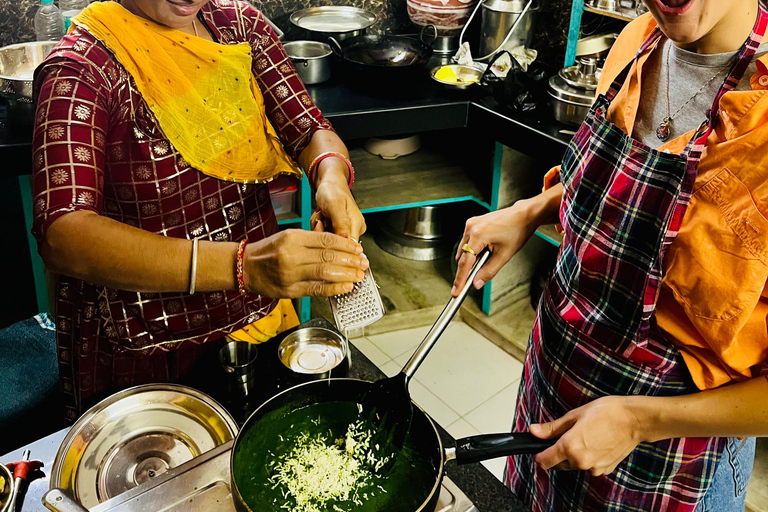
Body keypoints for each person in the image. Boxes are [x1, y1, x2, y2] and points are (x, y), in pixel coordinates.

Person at [452, 0, 768, 510]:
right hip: (553, 387)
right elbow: (636, 200)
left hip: (665, 452)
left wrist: (640, 421)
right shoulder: (637, 41)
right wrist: (533, 208)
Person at [31, 0, 368, 424]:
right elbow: (64, 235)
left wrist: (331, 177)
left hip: (256, 324)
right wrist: (241, 265)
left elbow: (308, 127)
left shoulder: (238, 26)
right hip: (147, 351)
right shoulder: (84, 68)